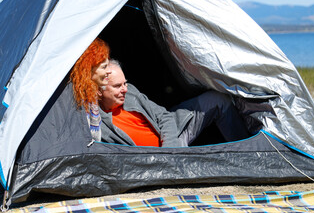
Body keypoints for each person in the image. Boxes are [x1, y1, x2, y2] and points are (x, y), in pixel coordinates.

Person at [98, 59, 250, 147]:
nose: (125, 89)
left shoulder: (130, 92)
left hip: (174, 137)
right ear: (99, 90)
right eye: (118, 86)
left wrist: (171, 147)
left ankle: (246, 152)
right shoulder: (95, 121)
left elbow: (164, 116)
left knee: (217, 100)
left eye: (125, 83)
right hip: (156, 161)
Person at [69, 37, 111, 142]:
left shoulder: (91, 95)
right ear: (89, 70)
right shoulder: (74, 99)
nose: (109, 71)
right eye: (104, 67)